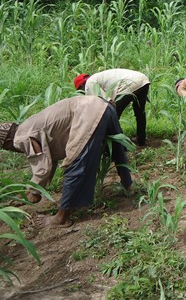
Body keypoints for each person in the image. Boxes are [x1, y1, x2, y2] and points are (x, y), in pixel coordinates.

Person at [0, 96, 132, 227]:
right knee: (116, 148)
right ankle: (128, 186)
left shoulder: (20, 138)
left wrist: (34, 191)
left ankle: (61, 218)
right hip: (103, 105)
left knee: (75, 164)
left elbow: (42, 168)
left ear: (7, 143)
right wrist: (30, 191)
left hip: (88, 112)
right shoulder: (26, 126)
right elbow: (48, 160)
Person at [74, 69, 150, 146]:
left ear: (81, 86)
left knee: (112, 116)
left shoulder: (89, 84)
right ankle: (141, 140)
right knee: (140, 112)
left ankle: (119, 144)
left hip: (129, 84)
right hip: (143, 81)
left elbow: (108, 101)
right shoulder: (96, 78)